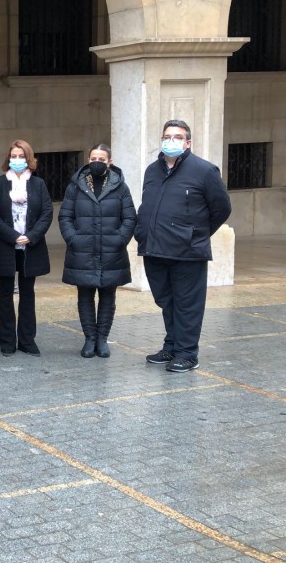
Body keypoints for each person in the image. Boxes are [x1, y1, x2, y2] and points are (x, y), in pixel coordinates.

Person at [135, 120, 232, 373]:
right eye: (167, 136)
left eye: (178, 137)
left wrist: (196, 234)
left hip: (187, 252)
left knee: (187, 303)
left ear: (188, 143)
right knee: (166, 300)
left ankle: (188, 353)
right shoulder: (152, 171)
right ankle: (172, 345)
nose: (171, 141)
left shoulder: (204, 170)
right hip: (154, 249)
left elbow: (222, 209)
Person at [58, 145, 137, 358]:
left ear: (109, 161)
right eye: (93, 157)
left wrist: (120, 239)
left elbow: (130, 218)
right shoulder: (76, 185)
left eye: (101, 158)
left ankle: (102, 339)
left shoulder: (120, 187)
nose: (96, 161)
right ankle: (89, 339)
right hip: (82, 250)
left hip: (112, 250)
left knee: (107, 296)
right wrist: (73, 238)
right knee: (85, 295)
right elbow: (65, 216)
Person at [0, 140, 53, 356]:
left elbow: (46, 213)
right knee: (5, 294)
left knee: (28, 293)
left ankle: (27, 340)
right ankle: (7, 341)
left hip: (29, 248)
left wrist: (30, 236)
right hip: (5, 246)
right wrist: (14, 236)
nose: (17, 160)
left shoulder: (38, 184)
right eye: (13, 156)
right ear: (8, 159)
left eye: (21, 156)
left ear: (29, 159)